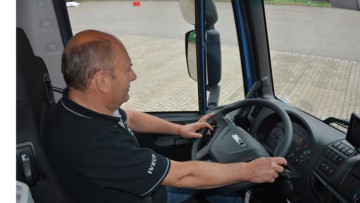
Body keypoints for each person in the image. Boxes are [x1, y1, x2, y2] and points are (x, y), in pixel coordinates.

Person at [46, 29, 287, 203]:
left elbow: (128, 117)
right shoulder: (94, 144)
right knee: (226, 183)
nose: (134, 76)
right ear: (101, 81)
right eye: (127, 69)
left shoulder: (77, 107)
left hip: (134, 189)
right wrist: (251, 171)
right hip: (148, 197)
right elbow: (184, 176)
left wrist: (179, 130)